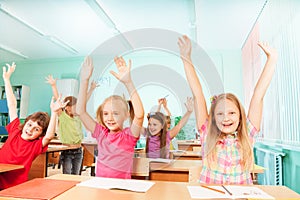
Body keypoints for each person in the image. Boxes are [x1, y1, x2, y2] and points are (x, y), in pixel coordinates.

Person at [178, 35, 278, 184]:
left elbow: (258, 95)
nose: (226, 118)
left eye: (231, 113)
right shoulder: (206, 133)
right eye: (220, 114)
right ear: (213, 118)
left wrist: (272, 59)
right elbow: (197, 94)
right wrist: (186, 58)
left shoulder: (247, 134)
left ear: (240, 116)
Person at [76, 56, 144, 179]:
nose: (110, 118)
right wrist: (84, 81)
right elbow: (80, 111)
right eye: (106, 113)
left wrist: (128, 82)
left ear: (126, 115)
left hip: (121, 187)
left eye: (116, 113)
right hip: (101, 184)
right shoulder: (101, 133)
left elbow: (139, 115)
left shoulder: (129, 136)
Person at [0, 62, 65, 189]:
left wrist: (55, 112)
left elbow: (50, 135)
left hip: (16, 185)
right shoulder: (15, 131)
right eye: (29, 125)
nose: (30, 130)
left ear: (40, 134)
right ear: (25, 124)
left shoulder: (35, 146)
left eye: (36, 129)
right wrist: (6, 80)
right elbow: (12, 105)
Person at [45, 75, 98, 175]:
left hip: (78, 150)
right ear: (67, 108)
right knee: (67, 175)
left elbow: (84, 101)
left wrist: (91, 88)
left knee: (77, 175)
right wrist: (53, 85)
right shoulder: (63, 116)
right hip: (67, 151)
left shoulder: (78, 116)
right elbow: (58, 100)